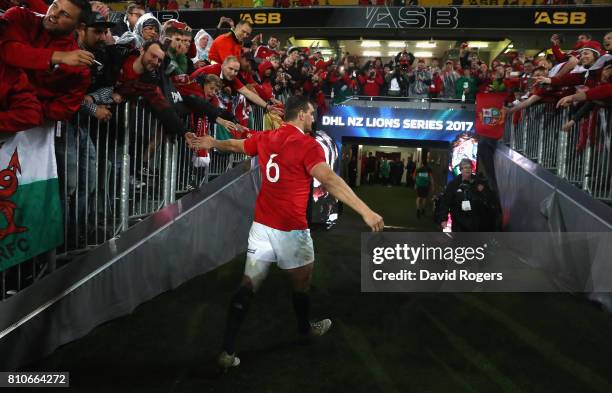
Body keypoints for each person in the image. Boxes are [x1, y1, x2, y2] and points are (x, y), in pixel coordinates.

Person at [187, 95, 384, 370]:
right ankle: (305, 330)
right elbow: (328, 178)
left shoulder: (267, 137)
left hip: (261, 227)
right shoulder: (307, 145)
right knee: (301, 284)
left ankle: (227, 351)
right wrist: (365, 210)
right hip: (291, 230)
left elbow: (237, 145)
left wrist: (213, 143)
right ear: (301, 114)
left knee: (248, 284)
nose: (314, 118)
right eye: (312, 113)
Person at [0, 0, 93, 121]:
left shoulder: (80, 69)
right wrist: (57, 56)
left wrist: (33, 110)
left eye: (64, 14)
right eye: (54, 5)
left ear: (79, 27)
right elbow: (6, 51)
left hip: (22, 129)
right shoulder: (20, 16)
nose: (54, 13)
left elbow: (65, 108)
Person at [436, 158, 495, 232]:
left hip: (476, 221)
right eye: (465, 167)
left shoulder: (479, 182)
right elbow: (445, 202)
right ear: (461, 169)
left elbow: (489, 198)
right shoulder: (453, 184)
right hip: (459, 221)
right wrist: (443, 219)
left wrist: (483, 191)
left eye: (469, 167)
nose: (468, 169)